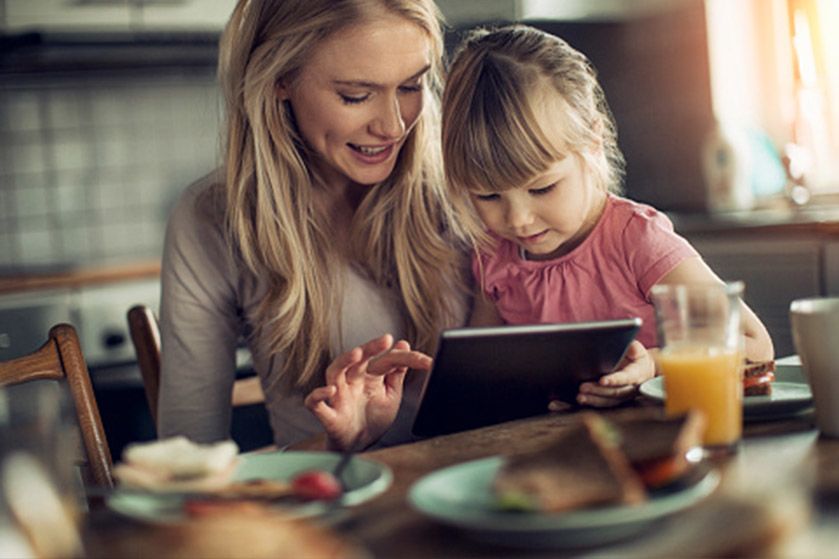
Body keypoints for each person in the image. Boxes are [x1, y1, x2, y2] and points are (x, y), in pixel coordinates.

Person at [157, 0, 470, 452]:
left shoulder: (467, 183)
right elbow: (189, 452)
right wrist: (338, 449)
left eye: (411, 85)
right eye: (356, 95)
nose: (394, 126)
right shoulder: (212, 219)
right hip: (331, 505)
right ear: (280, 80)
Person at [440, 24, 774, 406]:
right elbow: (479, 372)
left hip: (657, 439)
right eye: (488, 195)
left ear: (593, 143)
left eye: (542, 188)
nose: (517, 219)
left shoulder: (637, 240)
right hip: (559, 449)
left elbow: (755, 345)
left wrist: (651, 365)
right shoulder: (492, 253)